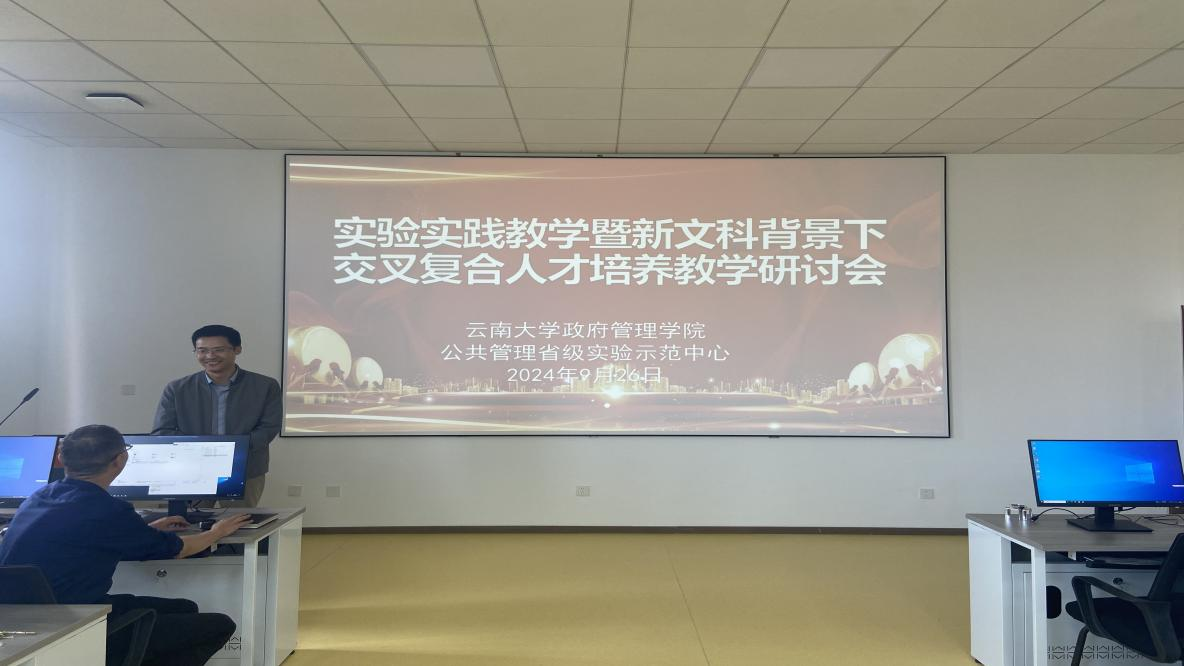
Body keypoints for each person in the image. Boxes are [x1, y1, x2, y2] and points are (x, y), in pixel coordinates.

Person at [0, 424, 252, 666]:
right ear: (120, 460)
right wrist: (217, 532)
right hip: (76, 621)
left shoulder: (39, 497)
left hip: (29, 615)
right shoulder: (109, 510)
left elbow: (82, 535)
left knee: (185, 608)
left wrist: (144, 530)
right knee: (220, 626)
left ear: (60, 459)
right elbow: (179, 549)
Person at [153, 324, 280, 507]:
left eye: (219, 350)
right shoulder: (177, 388)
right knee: (189, 521)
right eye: (202, 350)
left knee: (239, 520)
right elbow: (162, 431)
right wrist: (202, 453)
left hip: (244, 467)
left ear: (237, 349)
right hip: (191, 469)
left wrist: (230, 452)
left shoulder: (265, 386)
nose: (210, 356)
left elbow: (268, 428)